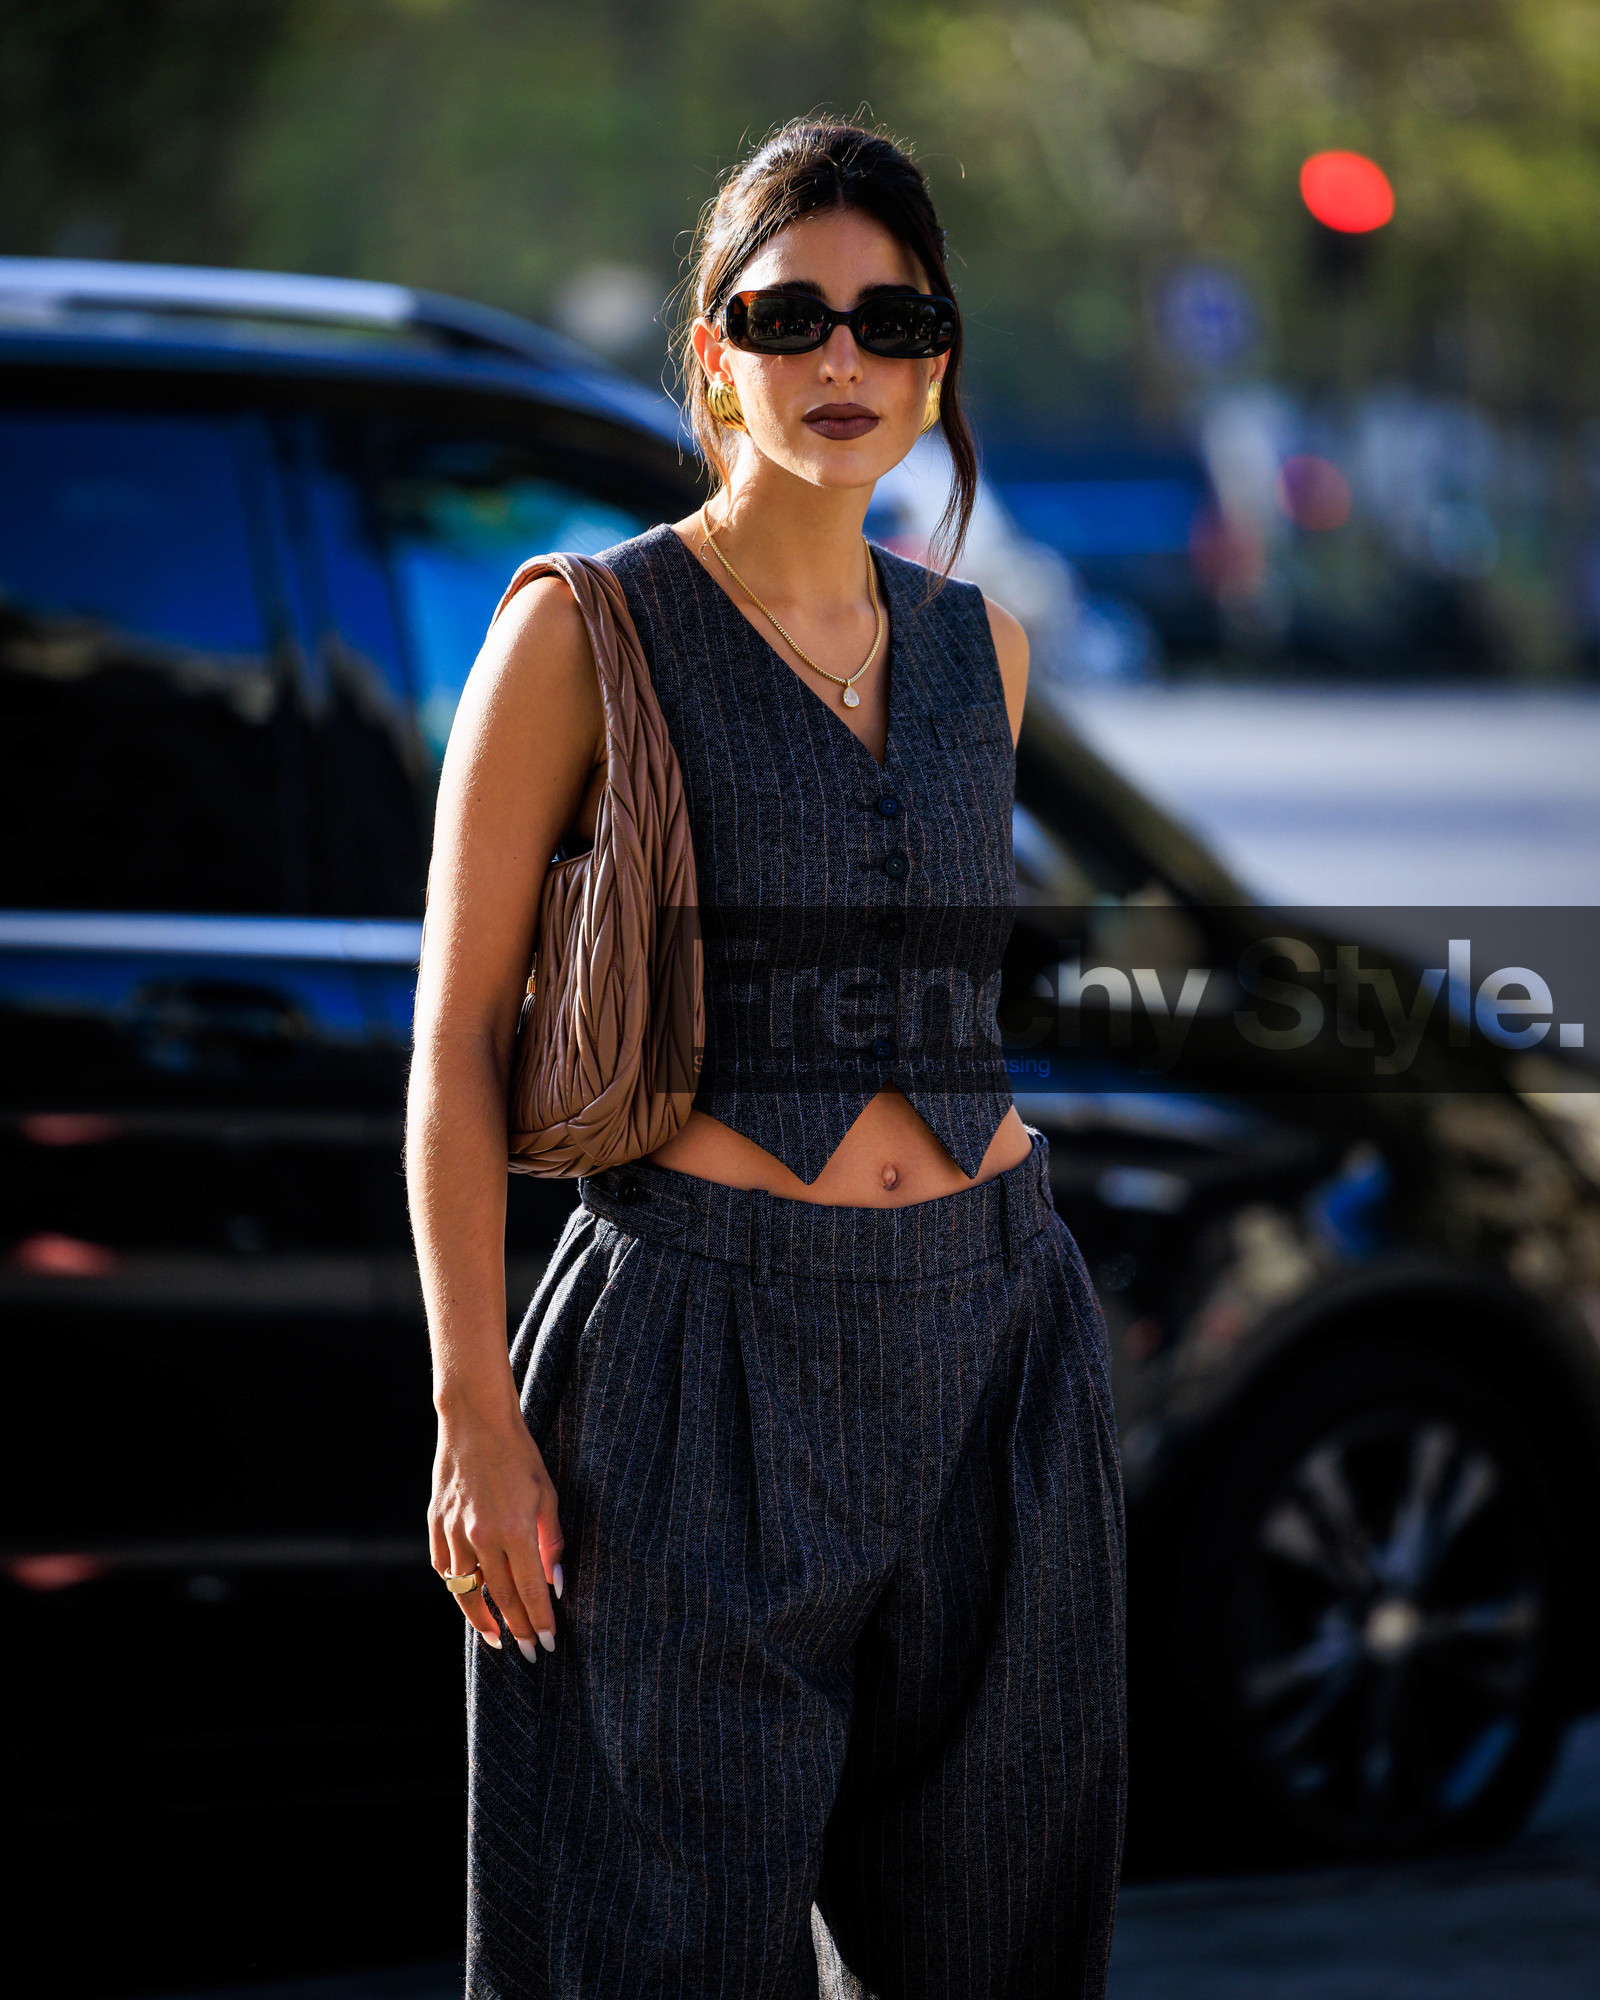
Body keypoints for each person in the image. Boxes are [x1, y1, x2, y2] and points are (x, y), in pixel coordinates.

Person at [407, 118, 1125, 2000]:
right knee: (652, 1953)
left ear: (938, 359)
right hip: (694, 1357)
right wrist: (473, 1404)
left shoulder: (992, 657)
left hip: (993, 1348)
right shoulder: (584, 631)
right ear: (712, 347)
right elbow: (457, 1041)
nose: (842, 361)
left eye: (892, 320)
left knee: (1000, 1949)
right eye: (787, 314)